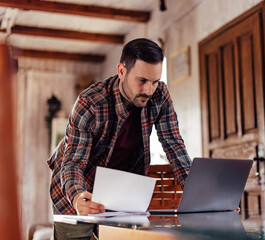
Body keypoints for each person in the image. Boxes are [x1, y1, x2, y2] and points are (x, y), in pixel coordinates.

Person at [47, 38, 192, 239]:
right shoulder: (90, 102)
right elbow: (73, 163)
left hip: (119, 191)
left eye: (155, 81)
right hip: (76, 190)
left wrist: (196, 196)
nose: (149, 90)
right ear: (122, 71)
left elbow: (174, 144)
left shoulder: (160, 95)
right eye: (142, 80)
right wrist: (78, 197)